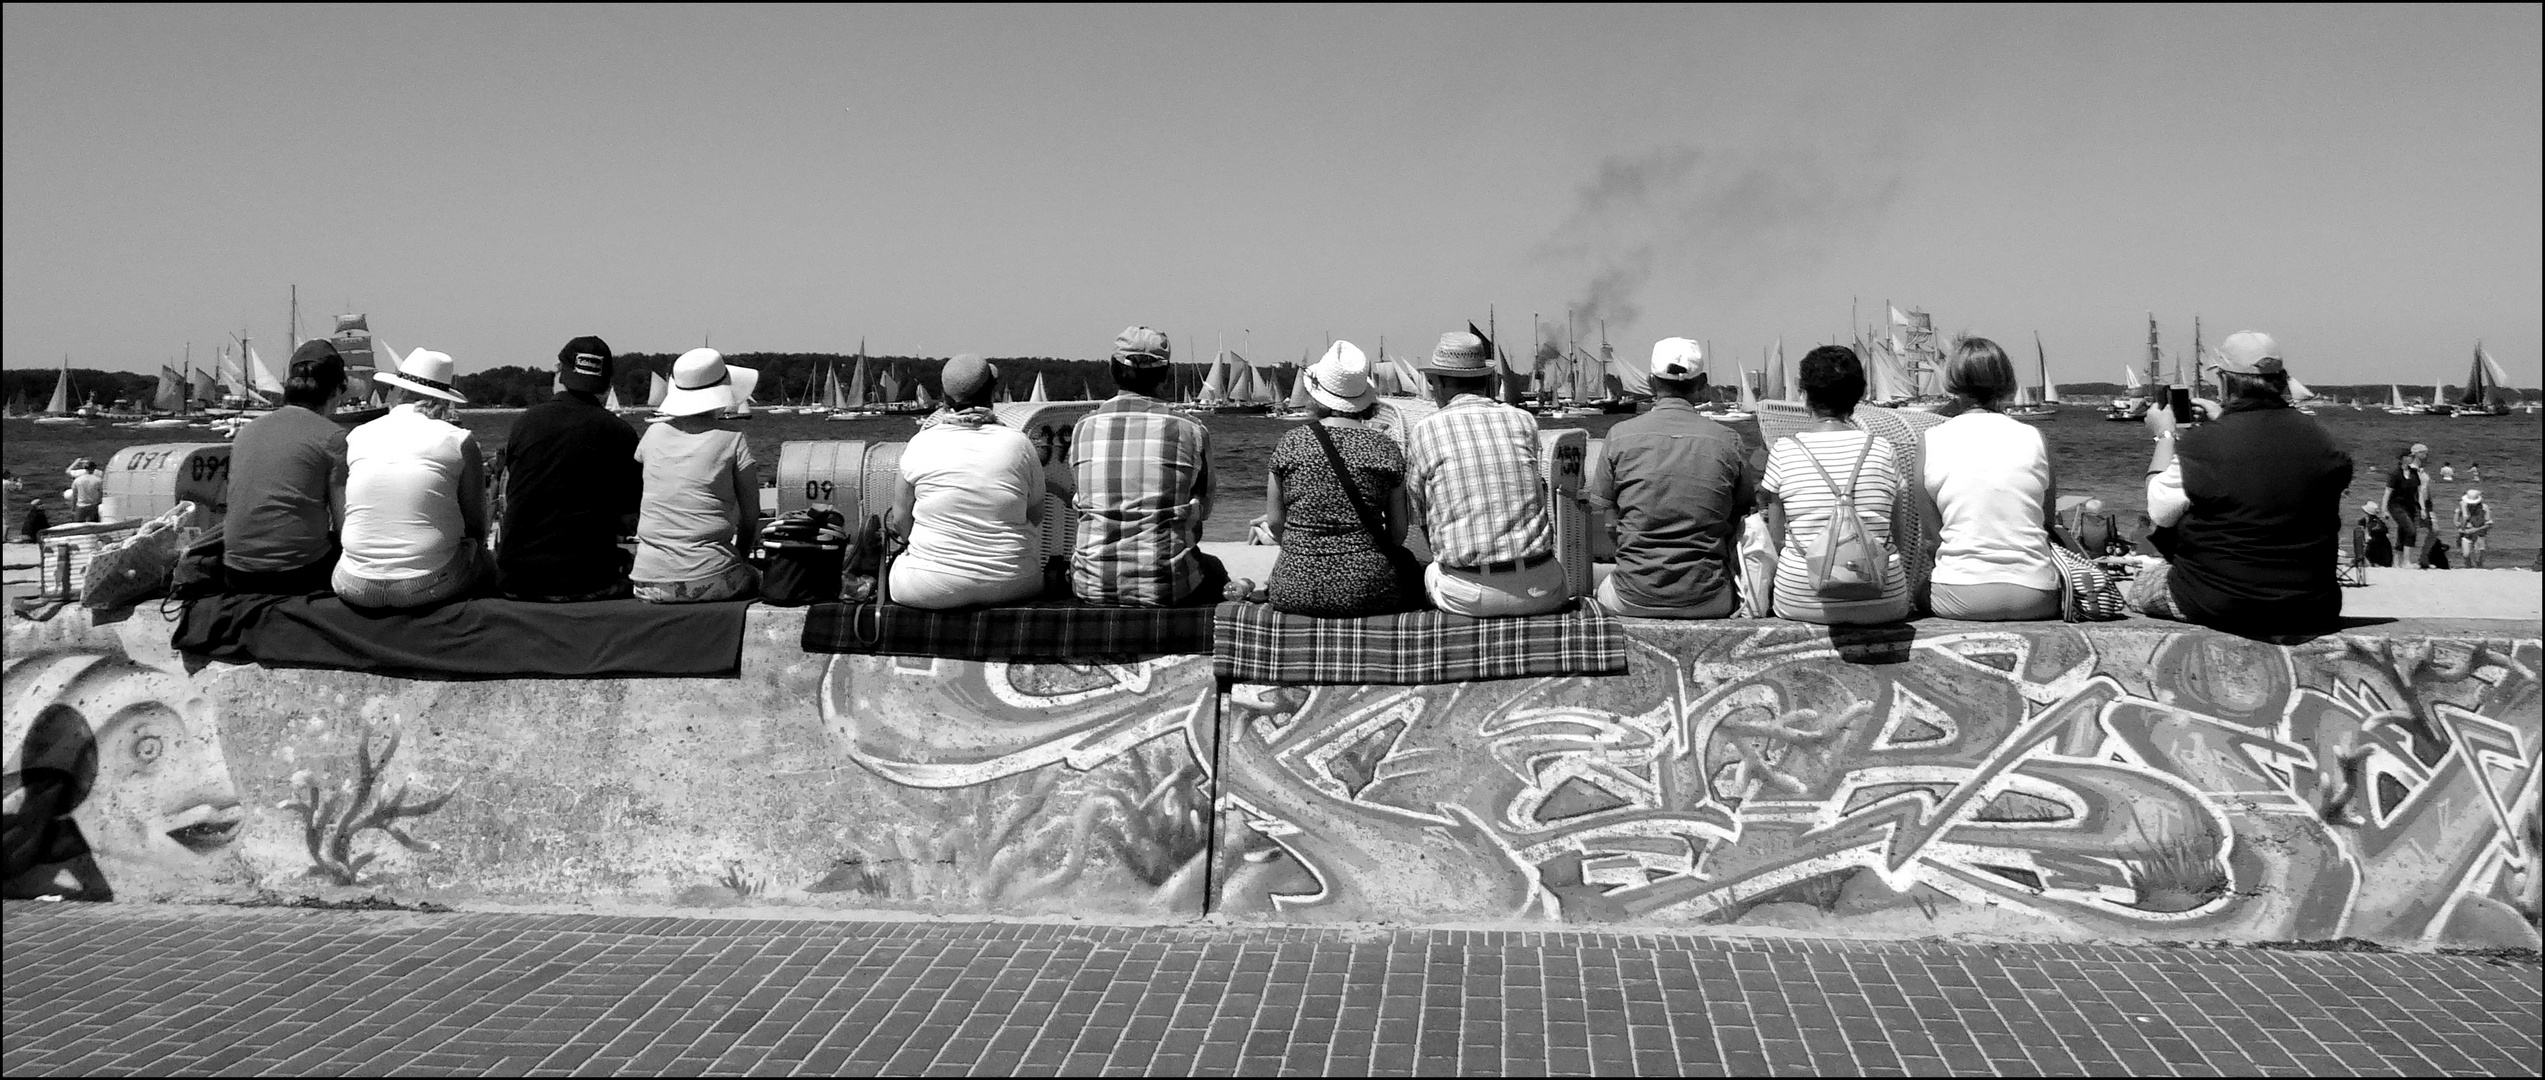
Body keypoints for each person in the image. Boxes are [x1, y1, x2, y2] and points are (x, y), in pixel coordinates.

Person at [2132, 332, 2353, 634]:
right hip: (2313, 604)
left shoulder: (2203, 444)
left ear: (2224, 380)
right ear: (2282, 379)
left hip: (2221, 600)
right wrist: (2225, 419)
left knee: (2140, 586)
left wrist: (2164, 436)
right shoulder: (2325, 440)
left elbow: (2159, 511)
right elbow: (2272, 474)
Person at [1069, 326, 1239, 606]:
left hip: (1091, 584)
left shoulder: (1083, 428)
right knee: (1214, 568)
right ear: (1164, 374)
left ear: (1112, 369)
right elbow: (1205, 510)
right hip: (1168, 586)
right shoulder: (1190, 429)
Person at [1584, 337, 1750, 618]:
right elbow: (1742, 513)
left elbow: (1610, 522)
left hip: (1632, 595)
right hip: (1708, 598)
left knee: (1600, 591)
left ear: (1650, 382)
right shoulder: (1728, 441)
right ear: (1702, 383)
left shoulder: (1619, 436)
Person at [1405, 329, 1566, 617]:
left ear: (1439, 383)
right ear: (1487, 379)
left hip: (1469, 595)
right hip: (1541, 588)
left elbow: (1420, 512)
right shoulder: (1524, 421)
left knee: (1429, 570)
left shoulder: (1425, 430)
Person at [1758, 345, 1911, 624]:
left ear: (1804, 393)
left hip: (1800, 599)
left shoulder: (1784, 450)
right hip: (1884, 600)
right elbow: (1897, 537)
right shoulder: (1882, 449)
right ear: (1859, 395)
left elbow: (1777, 540)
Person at [1263, 341, 1417, 617]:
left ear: (1316, 397)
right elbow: (1397, 534)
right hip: (1369, 589)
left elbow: (1275, 523)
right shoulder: (1385, 447)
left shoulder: (1290, 443)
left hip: (1295, 586)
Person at [332, 349, 493, 609]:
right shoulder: (458, 440)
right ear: (444, 400)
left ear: (399, 392)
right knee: (484, 561)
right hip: (426, 585)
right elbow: (476, 528)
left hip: (352, 582)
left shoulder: (357, 436)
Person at [885, 354, 1047, 609]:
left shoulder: (921, 443)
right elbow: (1036, 515)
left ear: (944, 396)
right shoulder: (1019, 444)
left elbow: (900, 520)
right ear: (991, 394)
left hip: (928, 586)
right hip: (1013, 582)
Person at [1919, 338, 2059, 621]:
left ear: (1952, 381)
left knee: (1919, 592)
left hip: (1962, 595)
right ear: (2006, 380)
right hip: (2037, 596)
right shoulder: (2035, 438)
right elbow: (2045, 522)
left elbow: (1932, 537)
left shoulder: (1931, 440)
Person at [495, 336, 641, 602]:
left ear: (559, 373)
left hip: (517, 580)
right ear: (607, 385)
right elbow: (629, 517)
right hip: (586, 581)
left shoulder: (524, 423)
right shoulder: (621, 432)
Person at [631, 349, 762, 604]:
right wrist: (742, 559)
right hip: (709, 576)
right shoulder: (732, 438)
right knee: (758, 579)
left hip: (647, 581)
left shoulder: (652, 435)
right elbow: (750, 517)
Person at [222, 341, 350, 595]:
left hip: (235, 572)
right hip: (297, 574)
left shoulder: (247, 432)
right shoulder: (334, 438)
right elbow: (345, 524)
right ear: (335, 391)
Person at [2385, 443, 2433, 569]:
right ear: (2403, 458)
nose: (2412, 458)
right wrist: (2384, 509)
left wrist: (2422, 508)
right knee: (2411, 530)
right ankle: (2406, 561)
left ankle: (2396, 562)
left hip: (2410, 506)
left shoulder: (2413, 473)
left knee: (2403, 531)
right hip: (2396, 505)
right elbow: (2387, 492)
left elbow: (2418, 492)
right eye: (2410, 456)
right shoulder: (2395, 473)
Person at [2456, 489, 2490, 569]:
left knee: (2479, 555)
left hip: (2479, 534)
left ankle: (2478, 568)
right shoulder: (2463, 506)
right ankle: (2468, 568)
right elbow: (2457, 514)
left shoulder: (2484, 508)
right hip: (2466, 533)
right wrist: (2457, 523)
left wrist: (2475, 530)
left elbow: (2488, 524)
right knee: (2466, 554)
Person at [63, 459, 103, 524]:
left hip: (81, 506)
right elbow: (101, 493)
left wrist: (73, 508)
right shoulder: (98, 479)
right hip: (93, 505)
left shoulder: (77, 480)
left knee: (77, 525)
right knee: (94, 525)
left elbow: (75, 495)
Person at [2360, 502, 2394, 567]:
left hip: (2374, 549)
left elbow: (2364, 534)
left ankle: (2371, 563)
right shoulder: (2380, 522)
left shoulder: (2366, 521)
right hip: (2385, 552)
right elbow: (2387, 534)